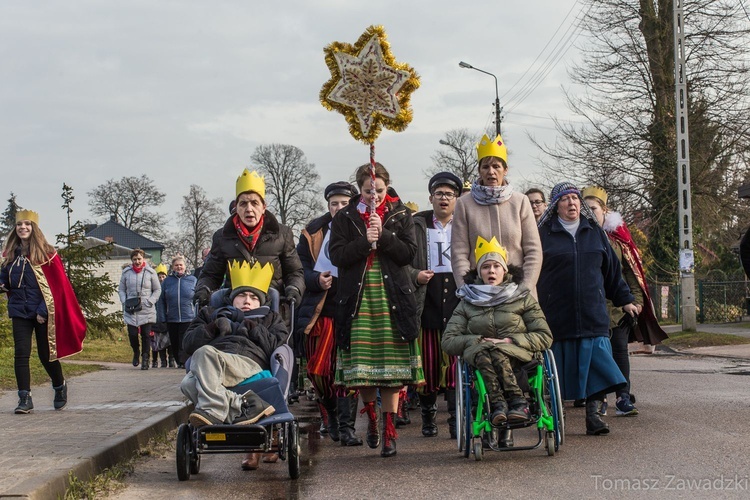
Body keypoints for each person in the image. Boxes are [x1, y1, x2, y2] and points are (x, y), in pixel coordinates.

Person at [329, 162, 424, 458]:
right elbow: (337, 257)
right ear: (360, 189)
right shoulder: (345, 217)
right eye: (369, 191)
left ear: (387, 187)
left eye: (380, 190)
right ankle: (371, 417)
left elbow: (409, 254)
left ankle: (389, 430)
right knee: (365, 372)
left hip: (392, 295)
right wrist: (363, 241)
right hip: (357, 297)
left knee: (391, 372)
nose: (375, 196)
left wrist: (383, 236)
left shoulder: (401, 214)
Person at [537, 182, 638, 435]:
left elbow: (612, 272)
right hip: (558, 314)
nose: (572, 203)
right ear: (555, 206)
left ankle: (593, 417)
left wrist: (625, 299)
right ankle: (555, 415)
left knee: (596, 367)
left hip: (593, 313)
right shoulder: (543, 235)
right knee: (559, 369)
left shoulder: (594, 231)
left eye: (575, 198)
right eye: (565, 199)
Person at [181, 260, 285, 470]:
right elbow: (187, 343)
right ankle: (247, 404)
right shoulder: (210, 314)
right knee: (187, 384)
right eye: (242, 295)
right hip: (214, 365)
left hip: (248, 363)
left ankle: (214, 407)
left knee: (204, 356)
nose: (247, 301)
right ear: (231, 297)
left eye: (254, 297)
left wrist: (253, 328)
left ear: (262, 301)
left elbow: (278, 344)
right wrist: (212, 328)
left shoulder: (271, 317)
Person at [442, 236, 552, 425]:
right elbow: (448, 340)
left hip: (518, 359)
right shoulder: (467, 302)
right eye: (486, 267)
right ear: (479, 272)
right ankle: (503, 404)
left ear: (504, 270)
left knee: (497, 352)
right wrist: (478, 340)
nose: (491, 270)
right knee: (486, 351)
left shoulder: (522, 298)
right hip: (481, 355)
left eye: (496, 266)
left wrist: (510, 341)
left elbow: (544, 336)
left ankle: (513, 403)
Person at [583, 186, 668, 415]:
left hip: (618, 307)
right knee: (596, 355)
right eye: (586, 209)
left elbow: (631, 273)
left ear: (604, 211)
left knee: (619, 351)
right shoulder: (580, 239)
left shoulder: (617, 241)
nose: (589, 213)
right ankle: (598, 398)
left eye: (594, 209)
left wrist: (637, 301)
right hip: (591, 308)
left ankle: (622, 397)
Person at [296, 181, 363, 446]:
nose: (338, 208)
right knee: (320, 371)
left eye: (344, 203)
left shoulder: (360, 226)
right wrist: (315, 279)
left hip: (352, 308)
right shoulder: (312, 232)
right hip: (321, 309)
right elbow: (299, 267)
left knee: (348, 370)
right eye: (334, 203)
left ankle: (347, 428)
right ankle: (331, 413)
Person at [0, 210, 86, 413]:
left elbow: (57, 287)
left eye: (27, 225)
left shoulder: (48, 254)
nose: (23, 228)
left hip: (42, 312)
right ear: (16, 229)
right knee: (21, 354)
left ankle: (59, 385)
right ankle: (24, 398)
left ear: (34, 228)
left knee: (46, 354)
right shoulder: (10, 254)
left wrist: (42, 311)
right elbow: (3, 275)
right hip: (19, 311)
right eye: (20, 225)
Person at [194, 169, 304, 310]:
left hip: (273, 313)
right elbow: (211, 274)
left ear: (264, 207)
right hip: (235, 313)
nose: (249, 209)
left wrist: (294, 288)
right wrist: (203, 289)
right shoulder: (222, 237)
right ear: (236, 208)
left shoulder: (283, 234)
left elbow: (294, 271)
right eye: (243, 204)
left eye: (254, 203)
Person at [408, 172, 463, 438]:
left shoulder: (465, 225)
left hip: (456, 300)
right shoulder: (416, 225)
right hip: (426, 299)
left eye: (449, 194)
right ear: (430, 197)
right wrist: (414, 275)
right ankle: (428, 415)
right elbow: (401, 263)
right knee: (428, 366)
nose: (444, 198)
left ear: (457, 199)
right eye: (439, 193)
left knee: (454, 365)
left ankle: (455, 418)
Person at [452, 134, 542, 296]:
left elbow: (534, 251)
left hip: (518, 293)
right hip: (479, 293)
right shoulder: (464, 204)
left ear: (505, 170)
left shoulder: (521, 202)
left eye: (496, 166)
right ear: (479, 170)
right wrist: (467, 288)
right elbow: (459, 253)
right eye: (485, 167)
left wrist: (524, 287)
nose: (491, 172)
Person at [118, 248, 161, 370]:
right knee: (132, 334)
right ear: (131, 260)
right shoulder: (126, 273)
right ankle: (136, 352)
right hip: (131, 307)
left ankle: (146, 358)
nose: (137, 261)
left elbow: (157, 289)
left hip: (146, 307)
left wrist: (150, 301)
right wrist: (124, 300)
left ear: (143, 259)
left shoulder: (150, 272)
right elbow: (121, 289)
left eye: (139, 259)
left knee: (146, 335)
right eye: (135, 259)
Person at [159, 255, 197, 368]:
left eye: (181, 265)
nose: (179, 267)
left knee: (184, 341)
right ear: (173, 267)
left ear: (185, 267)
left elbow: (198, 299)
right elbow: (161, 300)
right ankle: (178, 359)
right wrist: (162, 317)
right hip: (172, 317)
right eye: (176, 265)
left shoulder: (192, 280)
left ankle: (183, 361)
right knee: (174, 342)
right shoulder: (167, 282)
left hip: (188, 317)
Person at [152, 263, 171, 368]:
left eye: (163, 276)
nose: (161, 279)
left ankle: (171, 359)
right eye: (159, 277)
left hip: (169, 318)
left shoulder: (168, 287)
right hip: (158, 319)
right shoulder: (154, 289)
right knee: (159, 342)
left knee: (170, 342)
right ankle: (163, 360)